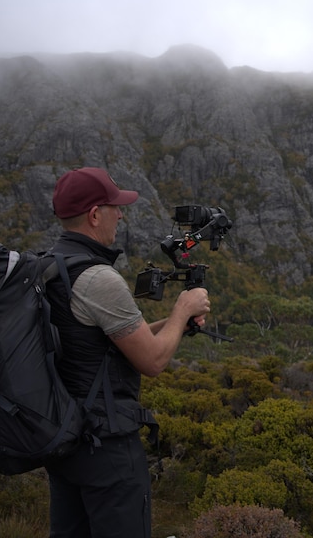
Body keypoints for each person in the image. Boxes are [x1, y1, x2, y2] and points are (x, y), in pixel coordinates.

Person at [44, 167, 211, 538]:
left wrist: (171, 324)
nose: (121, 215)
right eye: (115, 207)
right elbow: (152, 361)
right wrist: (184, 308)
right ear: (94, 215)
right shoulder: (99, 279)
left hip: (66, 440)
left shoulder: (53, 266)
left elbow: (97, 342)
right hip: (108, 448)